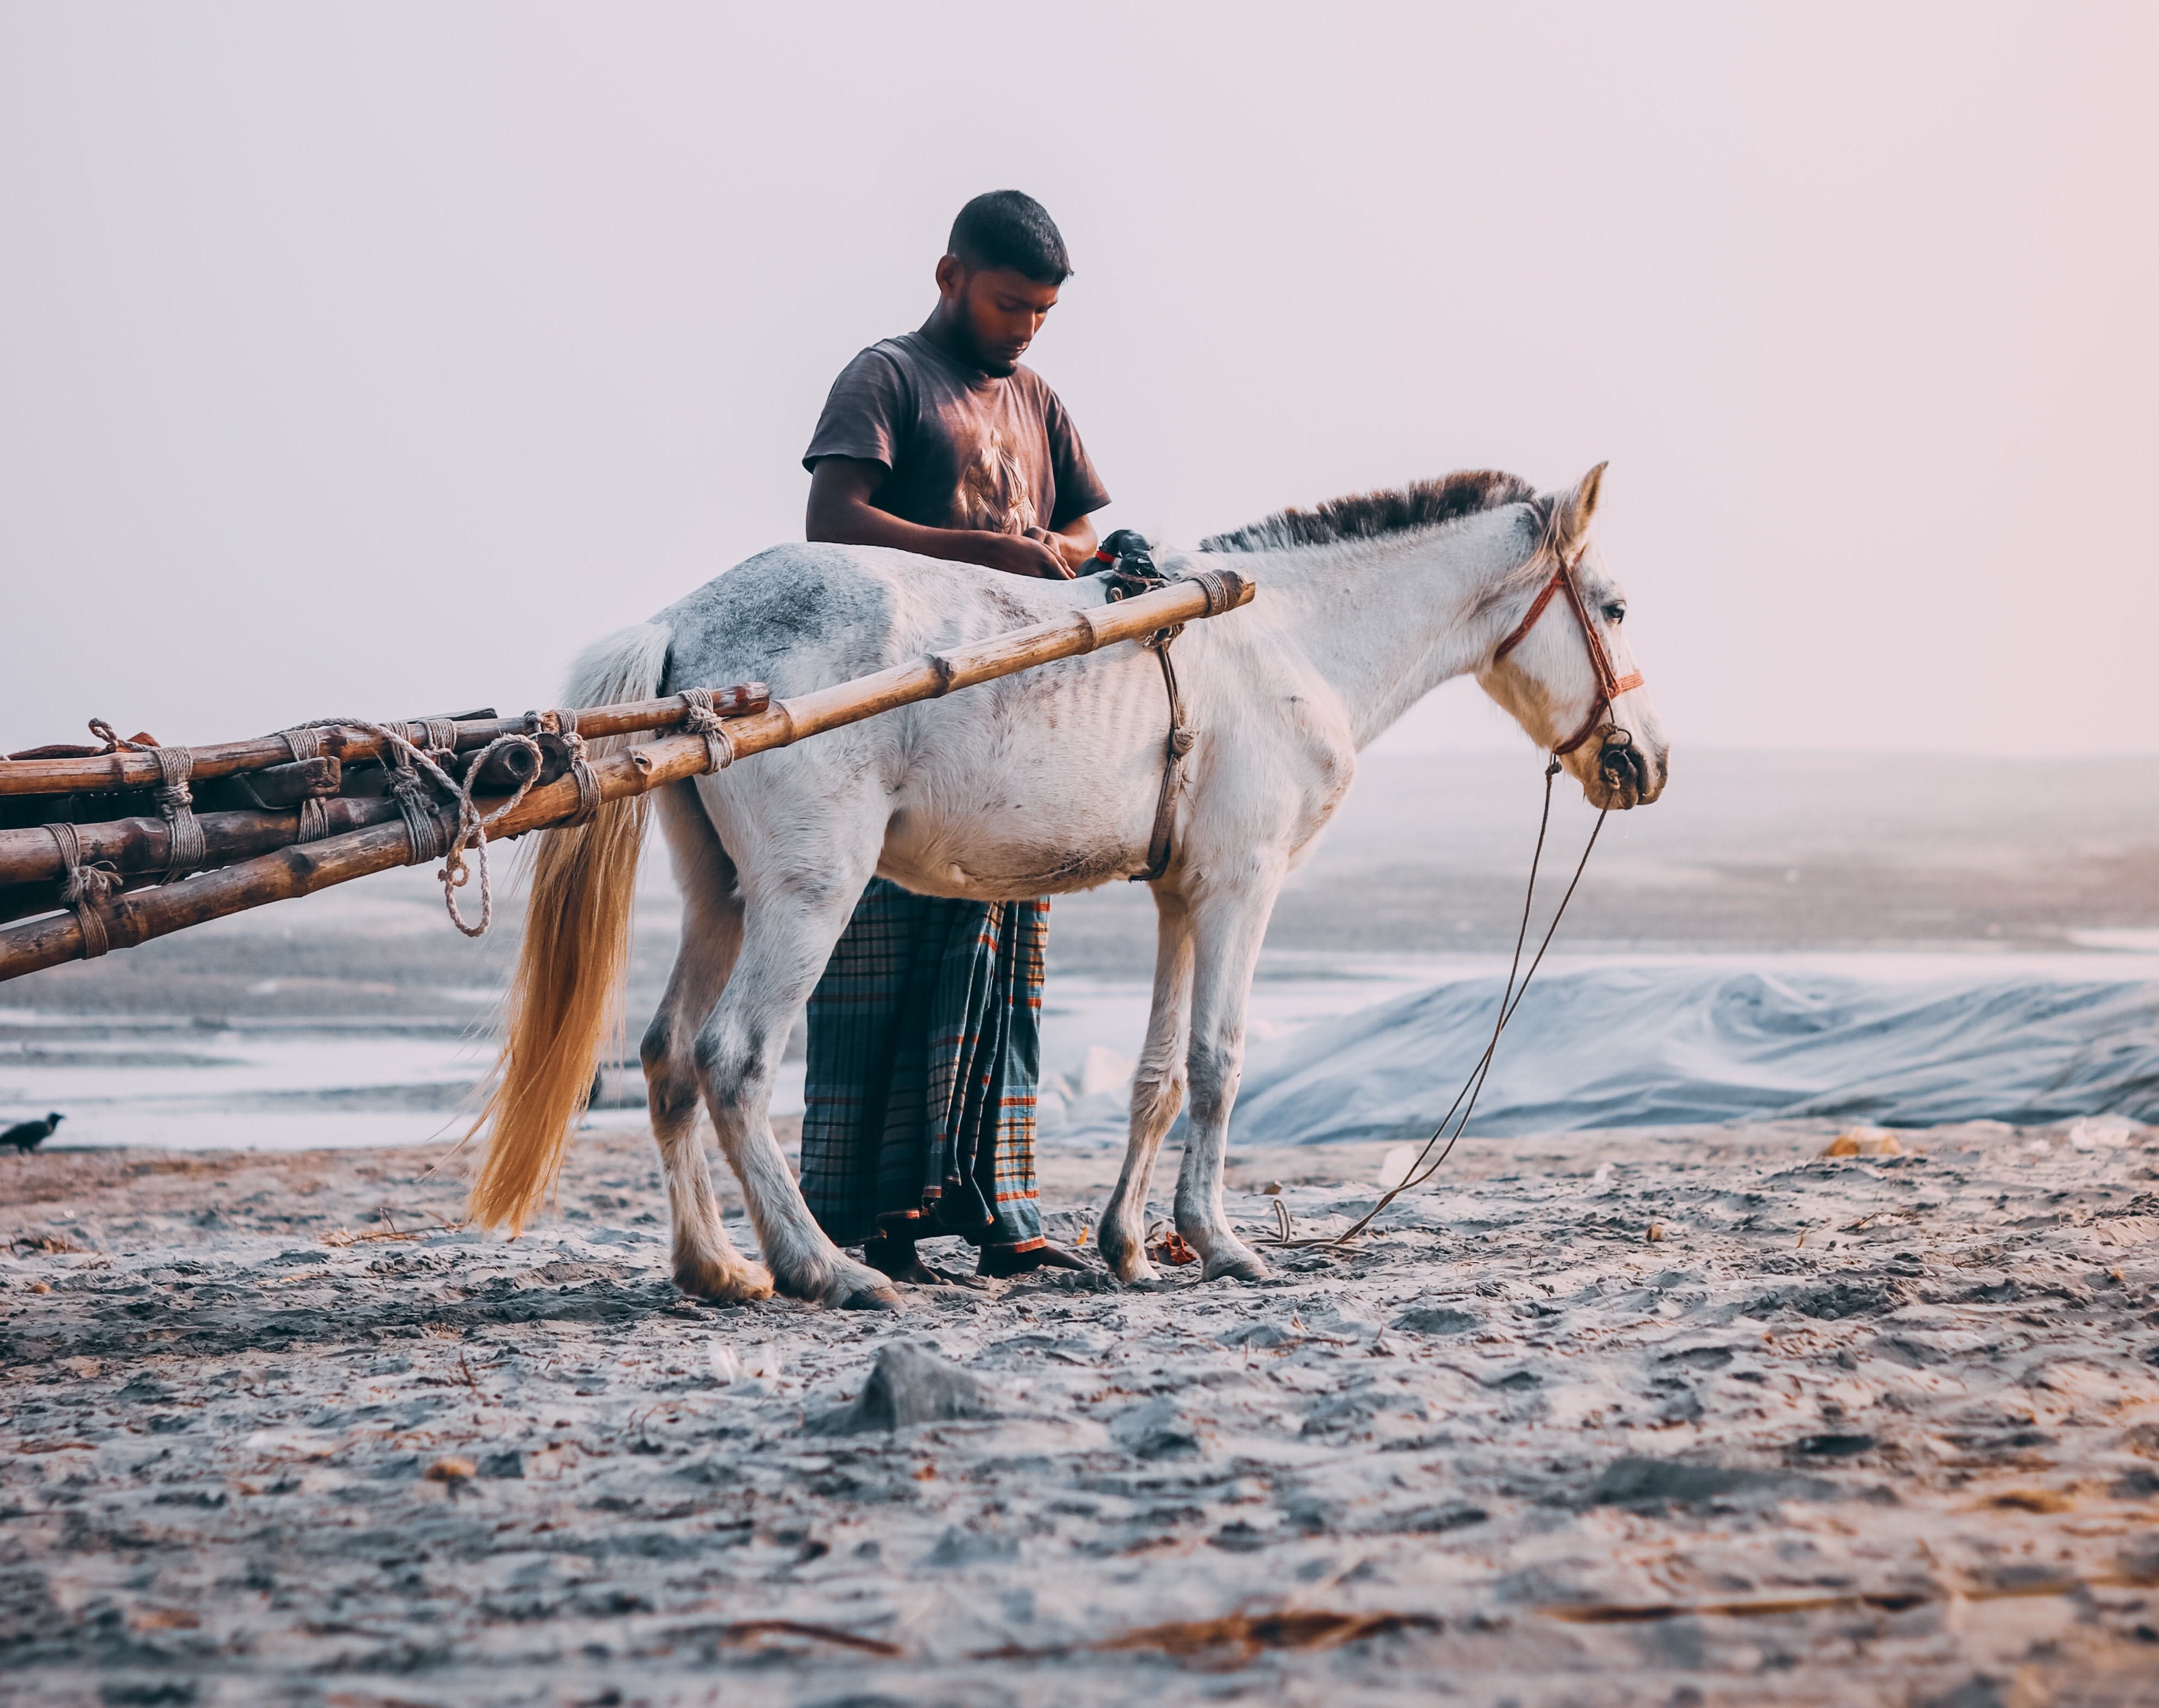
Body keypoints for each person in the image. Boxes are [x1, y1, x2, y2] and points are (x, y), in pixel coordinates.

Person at [797, 189, 1108, 1284]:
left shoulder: (1040, 401)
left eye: (1040, 311)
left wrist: (1053, 552)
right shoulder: (885, 377)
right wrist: (987, 554)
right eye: (1008, 303)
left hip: (1012, 743)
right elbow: (831, 524)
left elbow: (1079, 530)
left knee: (1004, 971)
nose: (1024, 326)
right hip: (888, 736)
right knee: (876, 984)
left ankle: (1001, 1214)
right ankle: (871, 1226)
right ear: (950, 277)